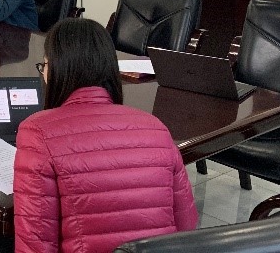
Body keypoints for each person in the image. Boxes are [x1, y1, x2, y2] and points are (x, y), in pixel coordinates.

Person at [14, 18, 198, 253]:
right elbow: (187, 227)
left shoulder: (37, 132)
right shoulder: (157, 128)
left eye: (45, 65)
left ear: (59, 69)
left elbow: (35, 245)